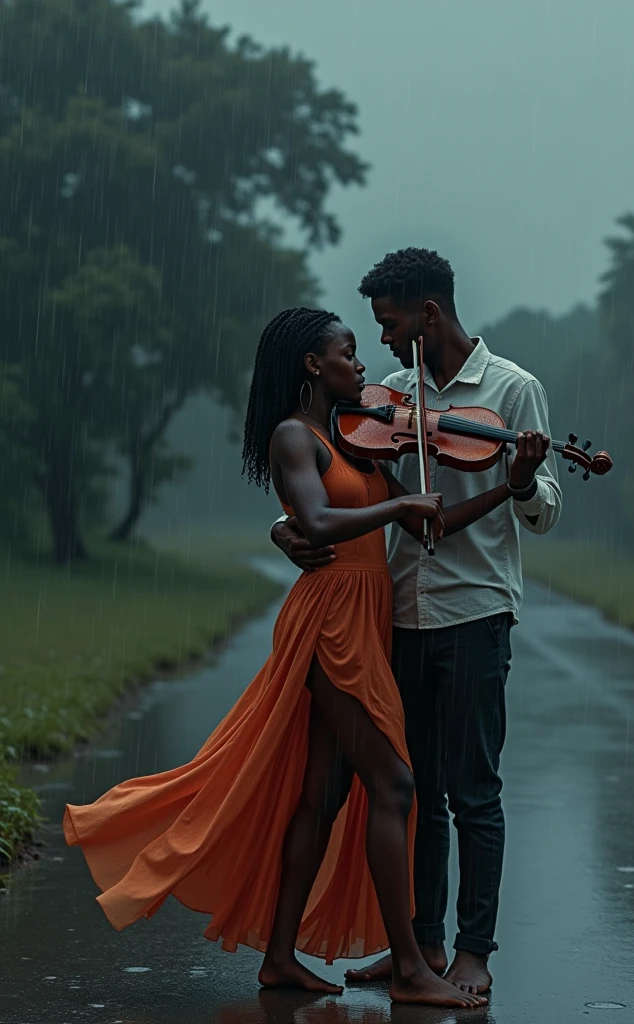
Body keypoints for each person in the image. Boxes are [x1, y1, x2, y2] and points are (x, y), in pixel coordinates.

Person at [63, 306, 497, 1009]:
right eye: (349, 353)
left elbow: (422, 518)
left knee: (321, 798)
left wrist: (511, 483)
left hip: (364, 617)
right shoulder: (293, 437)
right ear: (311, 365)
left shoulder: (349, 438)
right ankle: (414, 969)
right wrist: (394, 509)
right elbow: (318, 521)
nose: (361, 366)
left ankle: (278, 960)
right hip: (330, 623)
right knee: (393, 786)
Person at [271, 249, 562, 996]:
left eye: (392, 324)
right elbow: (338, 483)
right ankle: (422, 949)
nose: (386, 342)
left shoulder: (514, 389)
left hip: (473, 612)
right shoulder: (388, 396)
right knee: (413, 787)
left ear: (428, 314)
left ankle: (473, 953)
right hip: (396, 616)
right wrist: (286, 526)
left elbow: (545, 512)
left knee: (473, 791)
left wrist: (519, 481)